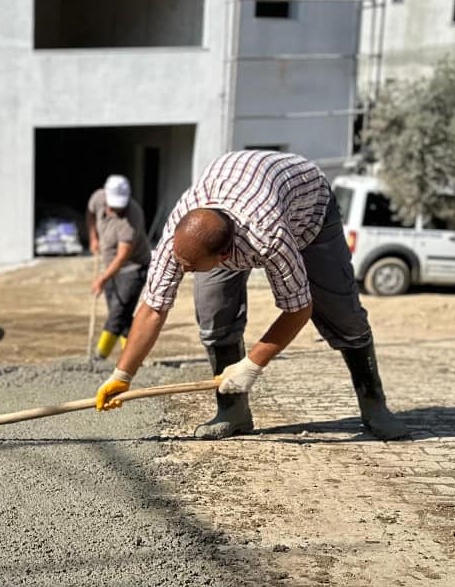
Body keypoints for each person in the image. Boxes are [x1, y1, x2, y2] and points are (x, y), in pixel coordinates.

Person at [93, 150, 409, 441]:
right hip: (239, 195)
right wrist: (122, 374)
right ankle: (233, 412)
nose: (182, 270)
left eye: (190, 267)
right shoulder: (183, 230)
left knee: (342, 312)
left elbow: (299, 308)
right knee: (213, 313)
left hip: (308, 210)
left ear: (223, 256)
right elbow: (152, 308)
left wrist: (252, 365)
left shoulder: (268, 235)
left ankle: (374, 405)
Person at [85, 175, 152, 359]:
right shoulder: (98, 198)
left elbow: (122, 257)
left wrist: (102, 279)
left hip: (133, 268)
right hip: (109, 266)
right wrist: (93, 237)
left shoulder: (132, 218)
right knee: (122, 315)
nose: (117, 209)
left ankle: (98, 357)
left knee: (117, 313)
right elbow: (90, 215)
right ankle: (130, 357)